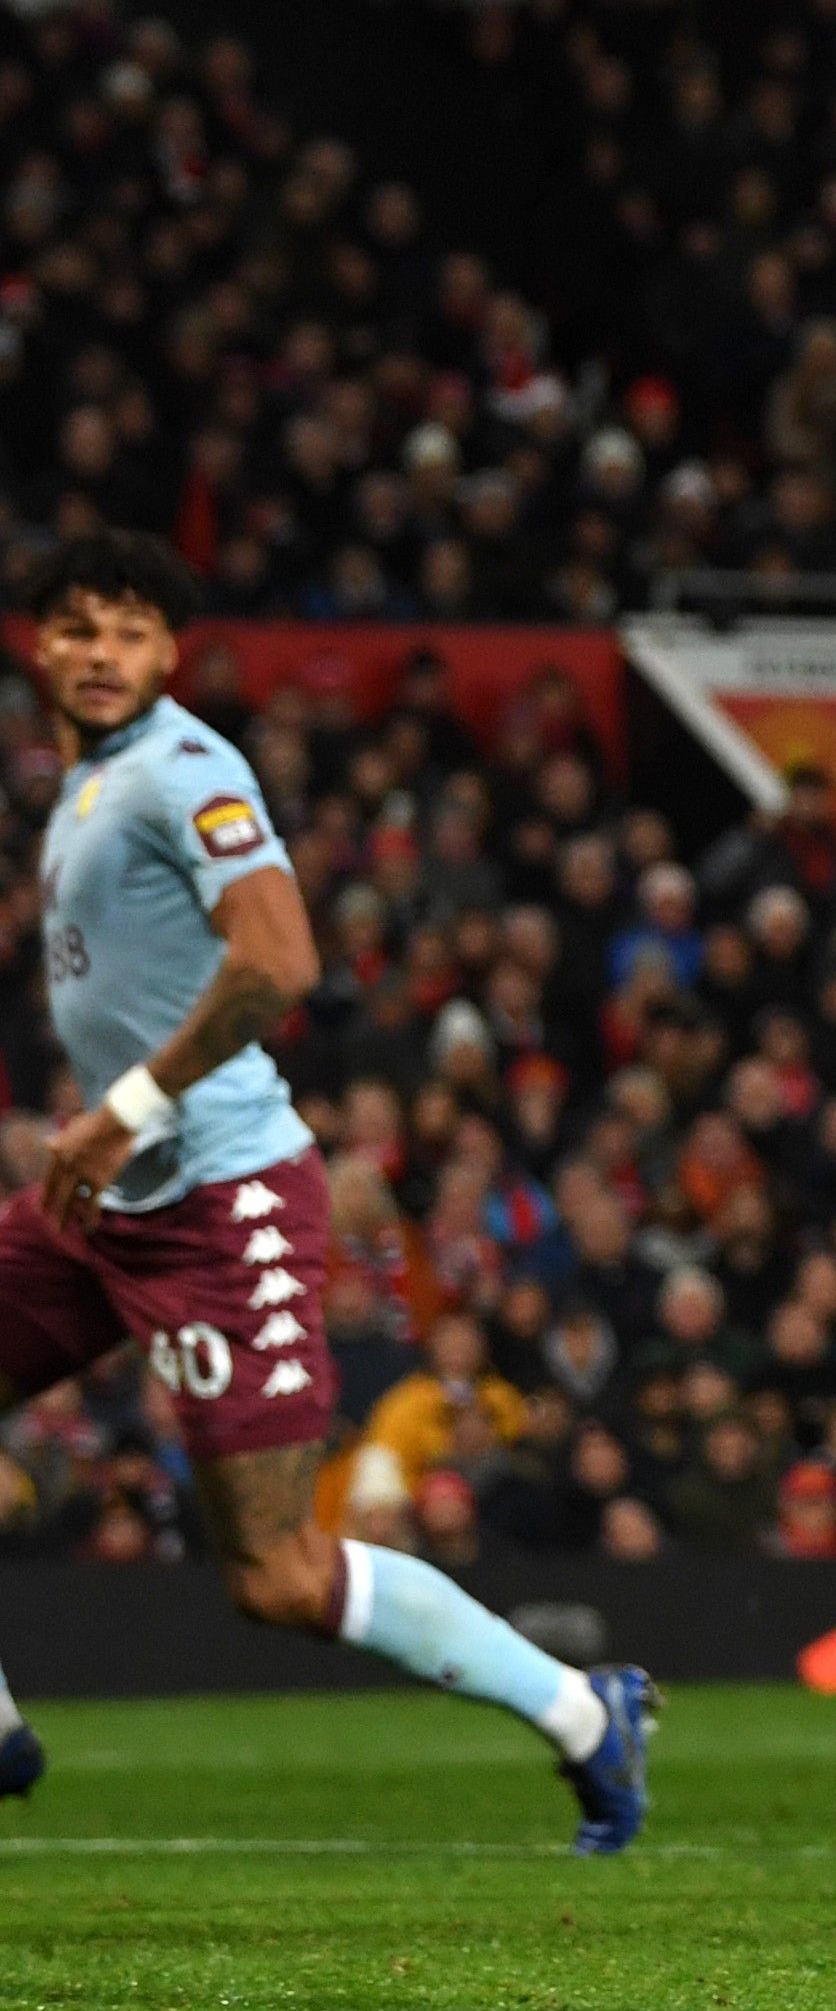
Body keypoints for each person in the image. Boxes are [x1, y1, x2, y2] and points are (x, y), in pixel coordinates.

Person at [0, 530, 656, 1847]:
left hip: (218, 1202)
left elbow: (281, 958)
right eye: (78, 626)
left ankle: (585, 1711)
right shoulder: (85, 786)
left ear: (169, 651)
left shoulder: (184, 769)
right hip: (108, 1202)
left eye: (130, 628)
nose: (103, 651)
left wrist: (123, 1108)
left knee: (279, 1573)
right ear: (40, 646)